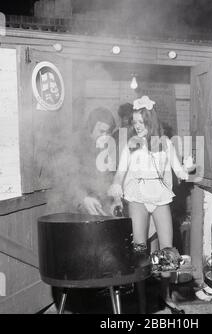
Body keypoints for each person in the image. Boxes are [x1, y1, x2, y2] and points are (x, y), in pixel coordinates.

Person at [108, 96, 193, 313]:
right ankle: (142, 301)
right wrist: (116, 185)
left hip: (160, 196)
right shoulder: (131, 145)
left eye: (140, 122)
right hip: (137, 196)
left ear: (150, 121)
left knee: (167, 251)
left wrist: (189, 167)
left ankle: (166, 296)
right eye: (134, 122)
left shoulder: (165, 144)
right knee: (140, 250)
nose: (136, 127)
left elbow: (179, 171)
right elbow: (119, 173)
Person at [73, 106, 117, 215]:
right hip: (76, 213)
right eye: (101, 131)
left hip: (101, 208)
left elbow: (110, 179)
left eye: (108, 132)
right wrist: (82, 198)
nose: (105, 136)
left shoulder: (109, 148)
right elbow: (65, 180)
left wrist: (114, 201)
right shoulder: (75, 146)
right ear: (90, 128)